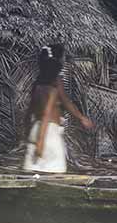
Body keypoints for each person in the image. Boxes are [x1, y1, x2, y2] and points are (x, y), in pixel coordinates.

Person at [23, 44, 95, 173]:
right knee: (54, 175)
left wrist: (28, 133)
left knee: (33, 174)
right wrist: (41, 141)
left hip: (36, 129)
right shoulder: (54, 85)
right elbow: (50, 112)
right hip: (48, 134)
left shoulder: (37, 84)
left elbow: (30, 111)